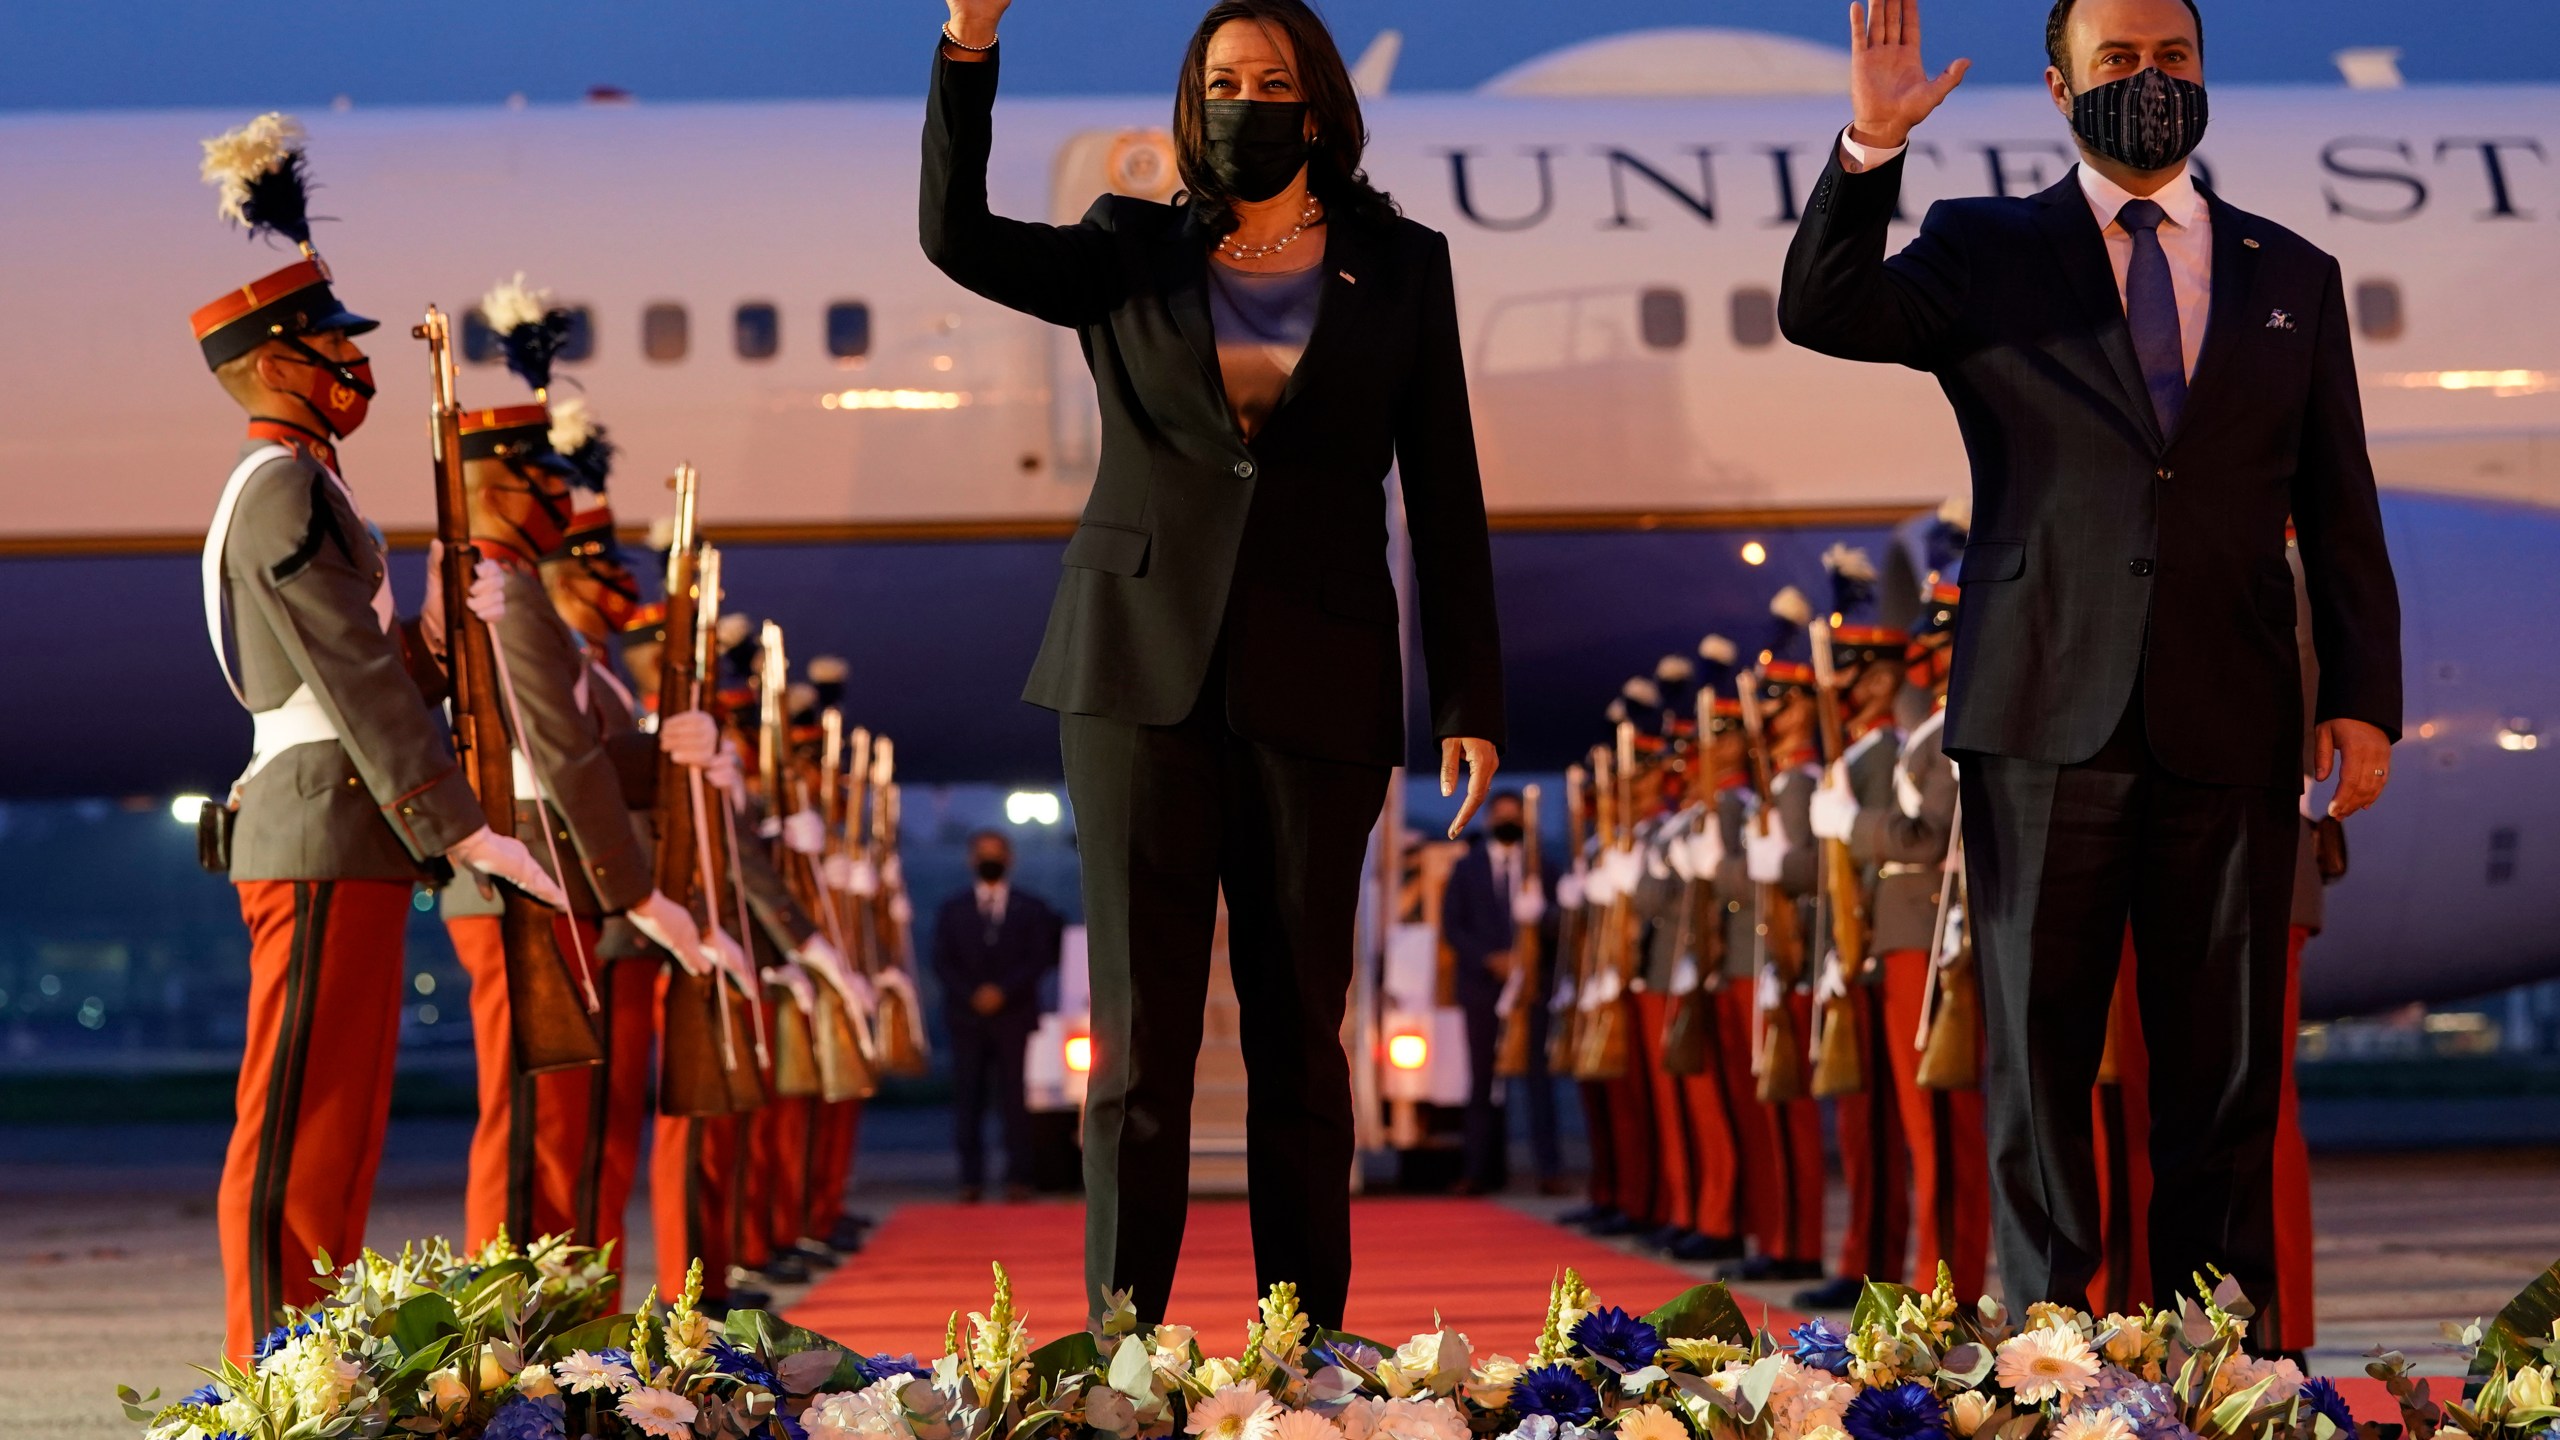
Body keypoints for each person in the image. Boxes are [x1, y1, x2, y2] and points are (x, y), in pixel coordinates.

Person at [1779, 0, 2402, 1320]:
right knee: (2040, 1061)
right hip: (2041, 704)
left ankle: (2222, 1356)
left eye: (2172, 58)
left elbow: (2340, 505)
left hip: (2233, 714)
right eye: (2116, 61)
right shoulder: (1988, 245)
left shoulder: (2290, 273)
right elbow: (1825, 309)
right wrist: (1869, 147)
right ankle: (2054, 1350)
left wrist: (2360, 698)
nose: (2149, 81)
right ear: (2059, 94)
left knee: (2223, 1068)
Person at [922, 0, 1505, 1325]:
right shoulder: (1127, 249)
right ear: (1195, 104)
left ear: (1317, 102)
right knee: (1141, 1050)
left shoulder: (1401, 265)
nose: (1246, 97)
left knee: (1305, 1042)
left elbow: (1447, 487)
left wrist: (1469, 695)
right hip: (1135, 679)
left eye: (1271, 77)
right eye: (1223, 79)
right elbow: (952, 238)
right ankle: (1122, 1348)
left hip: (1323, 680)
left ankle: (1304, 1349)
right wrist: (967, 50)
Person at [190, 114, 566, 1359]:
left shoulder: (314, 487)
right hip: (314, 812)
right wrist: (458, 823)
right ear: (282, 363)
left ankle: (316, 1358)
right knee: (296, 1111)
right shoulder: (285, 489)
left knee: (338, 1122)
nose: (357, 368)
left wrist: (457, 645)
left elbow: (383, 659)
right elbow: (350, 673)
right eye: (336, 349)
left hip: (343, 823)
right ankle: (271, 1365)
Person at [932, 829, 1065, 1202]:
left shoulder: (1031, 908)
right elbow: (942, 962)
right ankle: (970, 1180)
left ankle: (1018, 1177)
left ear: (1010, 858)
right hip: (966, 1019)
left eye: (996, 853)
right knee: (968, 1099)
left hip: (1013, 1016)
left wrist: (1002, 992)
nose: (990, 859)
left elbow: (1037, 959)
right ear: (971, 859)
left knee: (1013, 1100)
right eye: (983, 853)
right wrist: (972, 994)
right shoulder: (952, 909)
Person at [1439, 789, 1558, 1195]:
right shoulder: (1467, 868)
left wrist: (1542, 921)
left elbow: (1562, 923)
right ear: (1490, 820)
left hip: (1531, 989)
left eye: (1515, 817)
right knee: (1481, 1079)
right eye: (1503, 816)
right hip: (1482, 986)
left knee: (1538, 1080)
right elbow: (1453, 926)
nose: (1509, 823)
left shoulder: (1542, 867)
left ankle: (1550, 1170)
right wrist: (1491, 958)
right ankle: (1477, 1170)